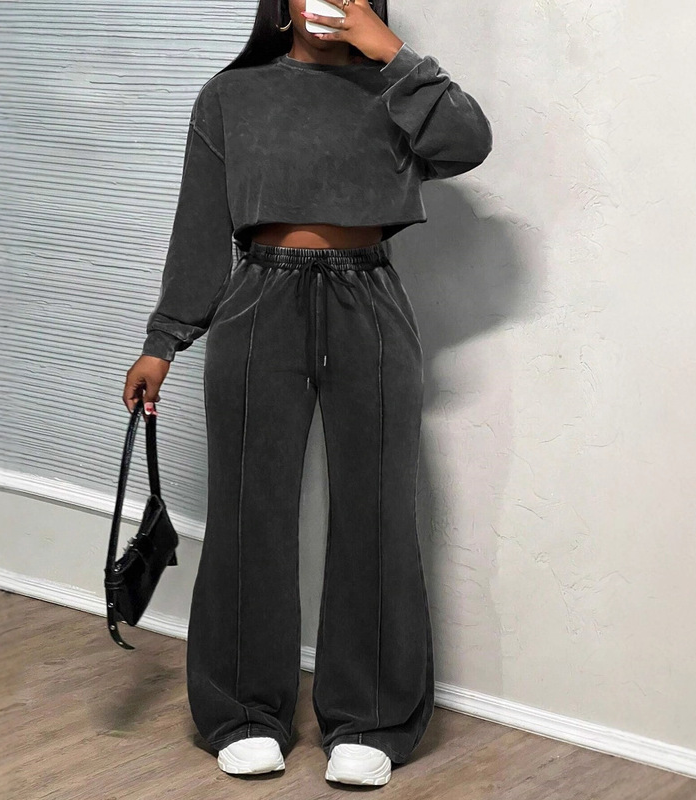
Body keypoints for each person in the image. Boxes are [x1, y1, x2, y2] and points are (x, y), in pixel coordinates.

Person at [122, 0, 492, 787]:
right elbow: (200, 227)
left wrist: (394, 54)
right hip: (259, 303)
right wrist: (163, 340)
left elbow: (468, 143)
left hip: (372, 304)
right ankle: (243, 711)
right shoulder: (232, 94)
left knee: (377, 513)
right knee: (248, 511)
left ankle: (372, 717)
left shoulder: (397, 89)